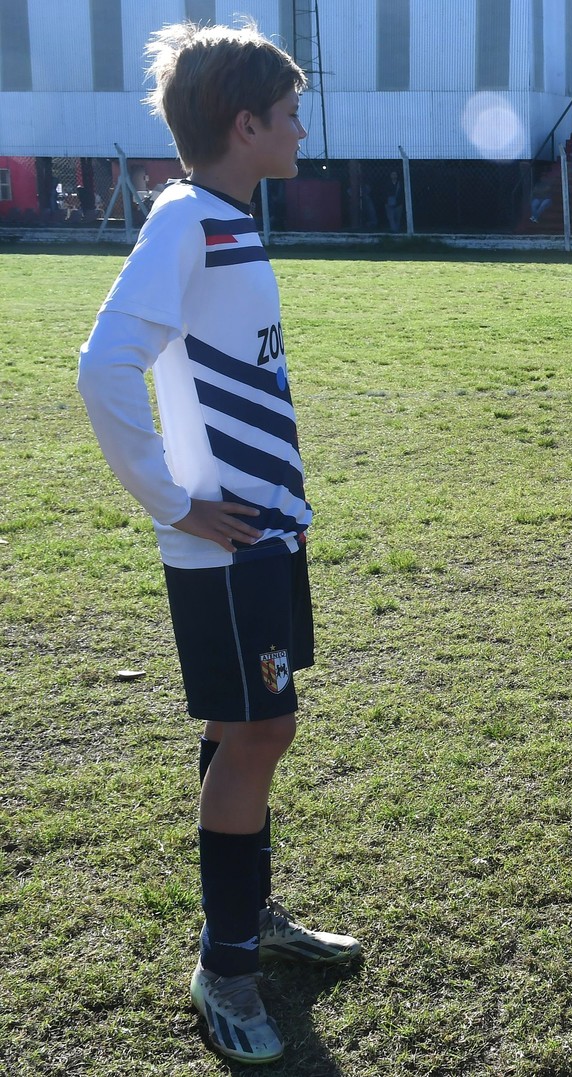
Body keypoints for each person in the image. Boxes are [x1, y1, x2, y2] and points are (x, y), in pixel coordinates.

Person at [76, 20, 360, 1065]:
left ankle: (246, 915)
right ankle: (225, 967)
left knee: (239, 727)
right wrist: (171, 500)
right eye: (288, 114)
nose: (300, 128)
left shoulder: (221, 216)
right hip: (226, 546)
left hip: (267, 531)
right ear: (244, 125)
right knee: (259, 735)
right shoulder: (187, 219)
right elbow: (105, 366)